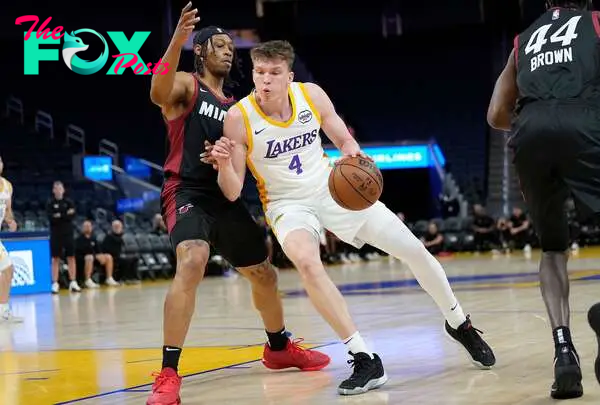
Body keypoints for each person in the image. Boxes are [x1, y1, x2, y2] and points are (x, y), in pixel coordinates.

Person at [207, 39, 496, 396]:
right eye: (259, 72)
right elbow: (233, 190)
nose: (265, 80)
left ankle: (458, 322)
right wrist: (222, 165)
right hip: (286, 205)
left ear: (289, 75)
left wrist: (355, 159)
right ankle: (363, 356)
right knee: (309, 265)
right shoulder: (239, 117)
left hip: (332, 187)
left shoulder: (311, 95)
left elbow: (344, 141)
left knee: (413, 249)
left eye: (274, 73)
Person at [147, 4, 329, 404]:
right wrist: (178, 38)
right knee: (192, 259)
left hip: (223, 197)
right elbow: (156, 92)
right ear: (200, 50)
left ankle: (278, 348)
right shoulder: (185, 85)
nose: (230, 51)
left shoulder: (235, 107)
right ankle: (168, 372)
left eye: (232, 47)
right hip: (186, 192)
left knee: (264, 274)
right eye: (220, 45)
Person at [487, 0, 598, 398]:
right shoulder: (597, 23)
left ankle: (563, 348)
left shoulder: (523, 39)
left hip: (529, 132)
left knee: (553, 249)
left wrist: (539, 118)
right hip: (585, 121)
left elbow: (496, 114)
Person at [46, 181, 80, 294]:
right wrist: (65, 214)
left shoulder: (69, 202)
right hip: (56, 234)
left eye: (60, 188)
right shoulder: (50, 203)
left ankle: (73, 282)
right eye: (56, 188)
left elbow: (73, 215)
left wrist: (60, 215)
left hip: (68, 233)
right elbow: (52, 218)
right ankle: (55, 283)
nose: (58, 190)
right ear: (53, 191)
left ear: (63, 190)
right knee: (55, 258)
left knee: (71, 257)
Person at [0, 156, 22, 324]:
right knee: (6, 270)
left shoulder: (7, 185)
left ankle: (4, 310)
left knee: (8, 269)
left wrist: (11, 221)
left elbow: (8, 210)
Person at [75, 220, 119, 287]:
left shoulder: (93, 238)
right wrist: (95, 256)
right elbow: (81, 252)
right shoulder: (78, 240)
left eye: (89, 226)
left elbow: (98, 250)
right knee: (89, 257)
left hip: (94, 258)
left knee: (108, 256)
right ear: (82, 228)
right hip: (82, 259)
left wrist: (101, 255)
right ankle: (87, 280)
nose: (88, 228)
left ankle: (109, 278)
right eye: (86, 226)